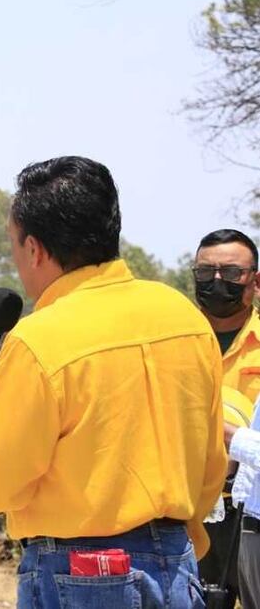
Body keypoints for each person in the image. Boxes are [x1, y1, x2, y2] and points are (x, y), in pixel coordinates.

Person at [0, 156, 226, 608]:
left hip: (79, 571)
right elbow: (209, 466)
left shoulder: (40, 340)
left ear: (35, 249)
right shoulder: (184, 318)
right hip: (177, 561)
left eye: (14, 246)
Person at [192, 229, 260, 605]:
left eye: (232, 273)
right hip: (188, 506)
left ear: (255, 279)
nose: (217, 281)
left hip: (251, 509)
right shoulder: (175, 343)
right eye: (206, 272)